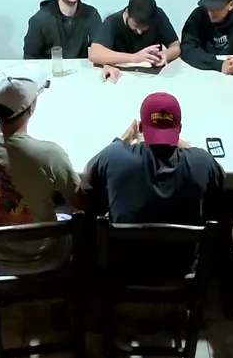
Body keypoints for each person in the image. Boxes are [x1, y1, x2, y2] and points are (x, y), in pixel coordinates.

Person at [82, 92, 225, 277]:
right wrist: (182, 143)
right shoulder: (202, 162)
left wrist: (124, 138)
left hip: (123, 269)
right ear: (180, 129)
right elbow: (220, 180)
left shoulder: (114, 155)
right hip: (179, 269)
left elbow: (89, 176)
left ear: (141, 127)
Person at [0, 68, 79, 275]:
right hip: (45, 256)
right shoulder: (49, 154)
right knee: (71, 211)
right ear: (31, 107)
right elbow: (78, 199)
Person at [89, 0, 181, 82]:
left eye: (144, 27)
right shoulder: (113, 22)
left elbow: (176, 46)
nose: (139, 32)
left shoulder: (158, 16)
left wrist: (166, 55)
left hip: (153, 77)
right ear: (127, 13)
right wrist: (134, 57)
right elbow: (94, 54)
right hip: (121, 76)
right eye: (135, 26)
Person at [23, 0, 102, 61]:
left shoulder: (92, 15)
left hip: (82, 68)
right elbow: (30, 58)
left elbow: (101, 49)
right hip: (52, 69)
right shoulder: (40, 20)